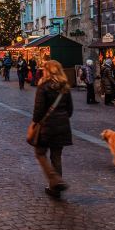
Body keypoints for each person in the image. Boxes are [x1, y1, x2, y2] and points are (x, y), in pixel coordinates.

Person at [31, 60, 73, 199]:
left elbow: (38, 112)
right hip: (62, 126)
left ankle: (55, 180)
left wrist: (35, 123)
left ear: (47, 71)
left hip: (47, 127)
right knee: (56, 156)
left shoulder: (43, 86)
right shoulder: (65, 87)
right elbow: (70, 110)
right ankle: (56, 188)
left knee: (40, 152)